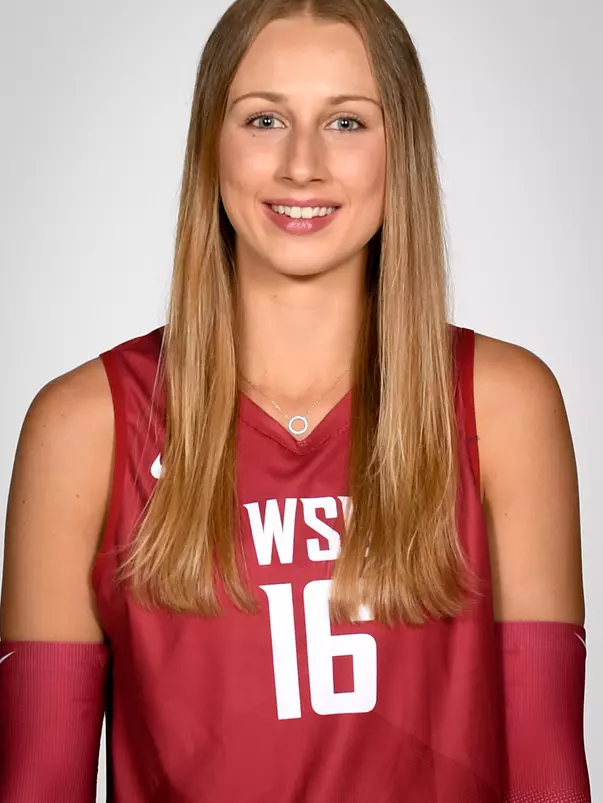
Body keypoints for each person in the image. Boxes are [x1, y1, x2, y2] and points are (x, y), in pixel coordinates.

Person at [0, 0, 591, 801]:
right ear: (211, 146)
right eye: (264, 119)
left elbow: (548, 774)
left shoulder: (501, 405)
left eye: (346, 122)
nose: (301, 165)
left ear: (400, 149)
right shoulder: (85, 427)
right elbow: (37, 784)